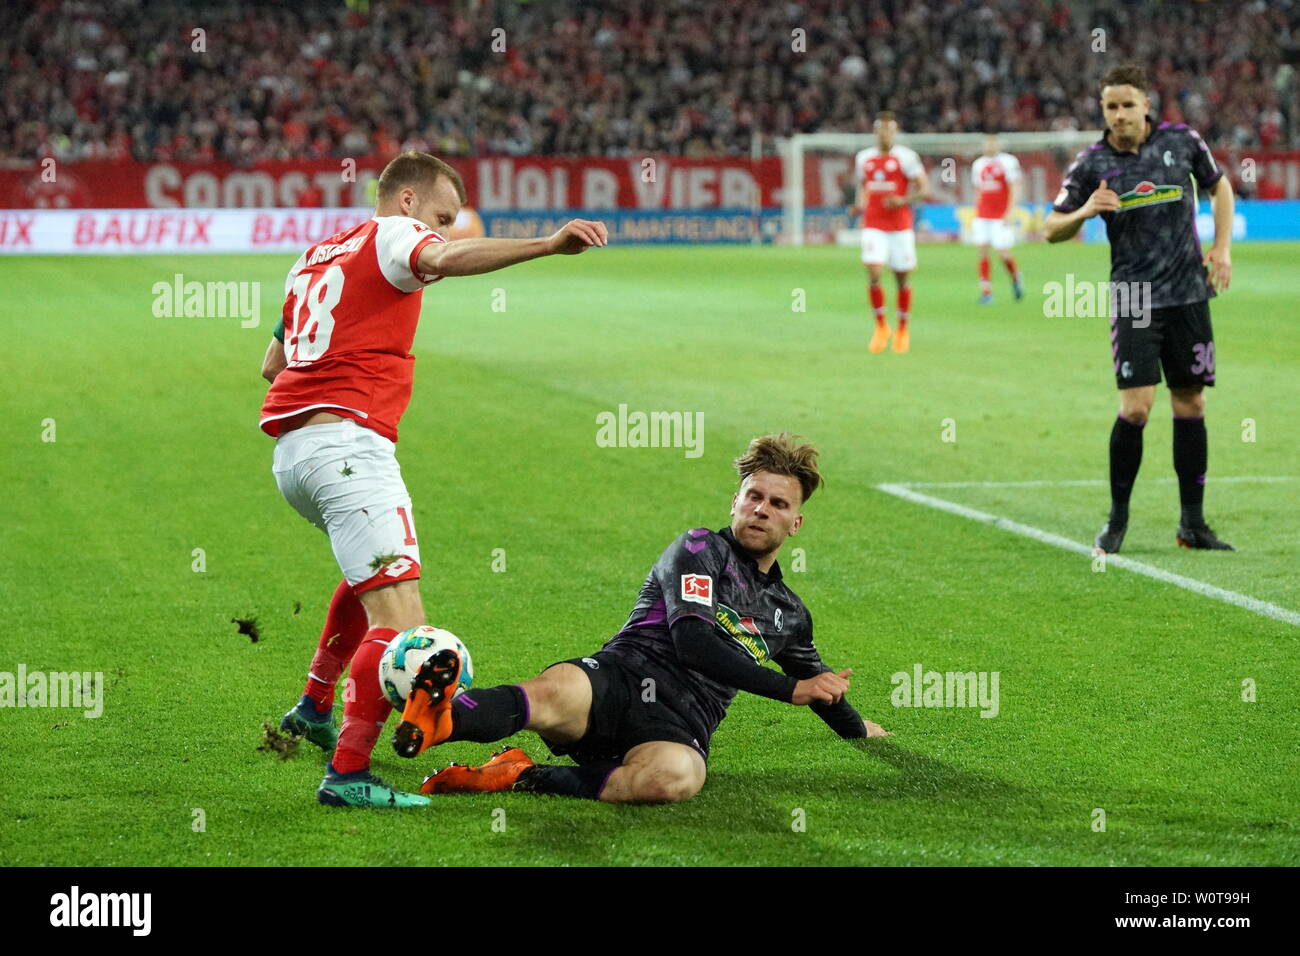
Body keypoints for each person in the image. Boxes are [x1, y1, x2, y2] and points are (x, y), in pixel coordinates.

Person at [259, 150, 608, 807]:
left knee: (372, 575)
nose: (444, 230)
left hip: (295, 453)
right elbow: (443, 261)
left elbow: (273, 363)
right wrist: (547, 244)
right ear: (407, 200)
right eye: (441, 216)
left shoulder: (315, 254)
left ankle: (313, 703)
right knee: (401, 622)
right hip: (346, 447)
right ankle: (347, 775)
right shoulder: (397, 233)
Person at [394, 433, 892, 804]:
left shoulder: (789, 614)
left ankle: (519, 774)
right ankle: (440, 721)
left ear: (795, 522)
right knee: (553, 693)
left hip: (679, 723)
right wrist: (789, 691)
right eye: (753, 497)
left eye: (778, 503)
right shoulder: (700, 548)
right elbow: (694, 642)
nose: (761, 510)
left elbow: (817, 682)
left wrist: (855, 728)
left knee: (674, 780)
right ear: (735, 502)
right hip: (616, 680)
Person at [1044, 65, 1235, 554]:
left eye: (1128, 104)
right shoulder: (1092, 163)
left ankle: (1192, 524)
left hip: (1190, 291)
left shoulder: (1183, 141)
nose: (1120, 114)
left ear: (1146, 105)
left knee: (1190, 402)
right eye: (1111, 106)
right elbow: (1050, 227)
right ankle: (1118, 520)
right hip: (1135, 297)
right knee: (1135, 408)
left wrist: (1223, 248)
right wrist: (1087, 211)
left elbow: (1220, 187)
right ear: (1103, 111)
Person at [852, 112, 930, 354]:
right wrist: (860, 206)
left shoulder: (906, 158)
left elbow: (924, 188)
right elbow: (864, 187)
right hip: (873, 224)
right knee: (874, 271)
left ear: (895, 133)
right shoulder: (863, 158)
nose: (886, 134)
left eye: (891, 131)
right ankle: (881, 327)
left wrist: (903, 200)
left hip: (900, 227)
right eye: (882, 130)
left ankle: (903, 329)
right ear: (876, 132)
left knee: (901, 278)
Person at [970, 134, 1024, 304]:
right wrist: (976, 209)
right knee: (983, 251)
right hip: (982, 215)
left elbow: (1015, 187)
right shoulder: (978, 164)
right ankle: (986, 292)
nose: (990, 146)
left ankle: (1015, 277)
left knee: (1003, 253)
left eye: (993, 143)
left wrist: (1010, 211)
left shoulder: (1008, 162)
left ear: (998, 145)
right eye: (987, 143)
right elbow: (979, 189)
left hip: (1000, 215)